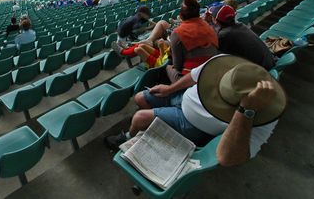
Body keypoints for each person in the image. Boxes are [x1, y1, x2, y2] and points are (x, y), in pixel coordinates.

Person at [106, 55, 286, 169]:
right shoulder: (227, 66)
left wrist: (247, 110)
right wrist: (169, 89)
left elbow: (229, 157)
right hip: (181, 97)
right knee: (140, 97)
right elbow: (193, 76)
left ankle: (130, 136)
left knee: (139, 117)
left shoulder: (265, 111)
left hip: (191, 124)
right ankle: (156, 128)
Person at [166, 0, 218, 83]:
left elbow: (177, 66)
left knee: (168, 67)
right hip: (212, 71)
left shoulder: (177, 32)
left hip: (192, 80)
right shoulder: (210, 27)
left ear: (181, 15)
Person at [213, 5, 276, 70]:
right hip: (268, 62)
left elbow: (218, 56)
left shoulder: (224, 34)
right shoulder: (240, 25)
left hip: (261, 70)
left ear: (217, 21)